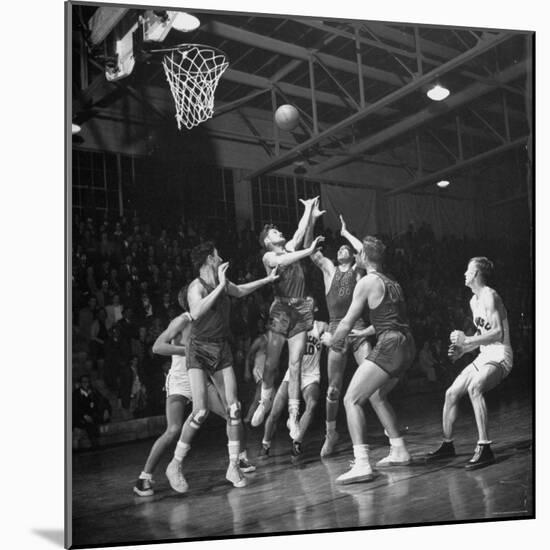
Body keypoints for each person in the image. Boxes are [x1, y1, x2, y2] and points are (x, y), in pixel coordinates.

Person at [163, 242, 279, 493]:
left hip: (220, 348)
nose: (221, 256)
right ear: (208, 259)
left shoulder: (221, 282)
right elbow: (197, 311)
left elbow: (238, 291)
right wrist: (220, 285)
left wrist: (266, 280)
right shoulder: (197, 286)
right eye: (217, 254)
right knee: (201, 410)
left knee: (234, 408)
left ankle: (233, 465)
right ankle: (175, 464)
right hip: (199, 349)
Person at [133, 288, 255, 497]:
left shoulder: (208, 323)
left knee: (231, 414)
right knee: (173, 429)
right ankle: (144, 477)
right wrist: (188, 350)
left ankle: (239, 459)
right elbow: (157, 347)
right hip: (180, 380)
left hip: (199, 377)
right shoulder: (182, 321)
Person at [325, 236, 416, 484]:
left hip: (391, 345)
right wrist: (365, 333)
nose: (356, 257)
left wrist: (332, 341)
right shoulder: (392, 282)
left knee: (351, 399)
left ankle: (362, 464)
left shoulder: (366, 282)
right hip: (408, 343)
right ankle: (399, 449)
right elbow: (390, 319)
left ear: (364, 257)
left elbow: (346, 320)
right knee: (377, 395)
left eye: (359, 253)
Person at [425, 257, 513, 470]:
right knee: (451, 393)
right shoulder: (473, 301)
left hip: (501, 354)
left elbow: (498, 334)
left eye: (467, 270)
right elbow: (481, 335)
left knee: (475, 388)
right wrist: (462, 350)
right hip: (484, 354)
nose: (464, 273)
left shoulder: (490, 295)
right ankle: (447, 444)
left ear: (475, 274)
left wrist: (467, 340)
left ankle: (485, 448)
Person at [251, 197, 325, 440]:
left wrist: (306, 209)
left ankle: (293, 416)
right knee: (272, 363)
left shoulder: (291, 247)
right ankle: (264, 401)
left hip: (301, 309)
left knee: (296, 365)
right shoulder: (269, 258)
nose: (279, 231)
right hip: (281, 310)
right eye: (274, 232)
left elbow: (301, 230)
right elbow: (284, 260)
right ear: (267, 241)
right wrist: (309, 250)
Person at [303, 204, 372, 457]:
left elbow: (365, 250)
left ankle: (389, 431)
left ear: (352, 256)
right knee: (333, 389)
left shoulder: (358, 270)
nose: (343, 249)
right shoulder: (329, 270)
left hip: (359, 328)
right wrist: (310, 219)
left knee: (372, 380)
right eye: (340, 247)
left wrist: (345, 233)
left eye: (346, 248)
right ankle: (331, 433)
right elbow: (310, 249)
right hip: (335, 329)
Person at [258, 312, 327, 459]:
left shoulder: (320, 326)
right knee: (275, 412)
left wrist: (332, 338)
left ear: (315, 309)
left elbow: (335, 334)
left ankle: (297, 442)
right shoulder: (293, 325)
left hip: (311, 375)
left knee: (312, 405)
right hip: (293, 374)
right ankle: (265, 443)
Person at [243, 320, 268, 424]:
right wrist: (247, 370)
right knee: (259, 394)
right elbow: (248, 355)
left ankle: (254, 418)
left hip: (267, 371)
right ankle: (248, 418)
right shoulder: (260, 340)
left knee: (268, 395)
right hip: (259, 370)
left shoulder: (276, 341)